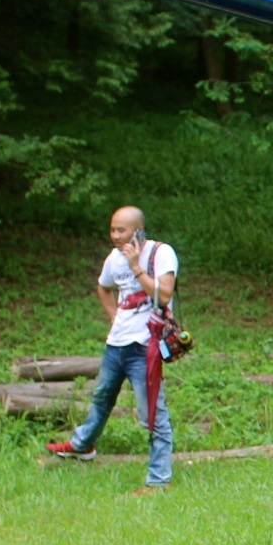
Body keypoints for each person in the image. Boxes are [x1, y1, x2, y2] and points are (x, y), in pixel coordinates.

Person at [46, 206, 177, 492]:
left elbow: (164, 294)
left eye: (122, 230)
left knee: (152, 414)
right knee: (102, 396)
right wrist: (113, 316)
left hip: (147, 348)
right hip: (116, 344)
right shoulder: (113, 259)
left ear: (139, 230)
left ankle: (158, 481)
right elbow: (103, 287)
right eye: (113, 230)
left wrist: (136, 267)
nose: (116, 236)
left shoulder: (161, 253)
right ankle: (82, 446)